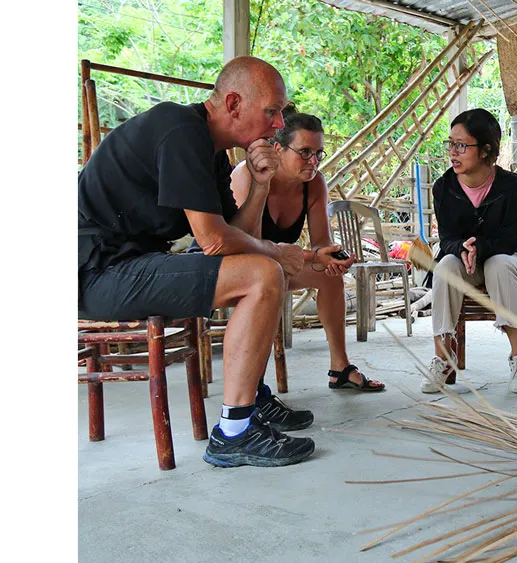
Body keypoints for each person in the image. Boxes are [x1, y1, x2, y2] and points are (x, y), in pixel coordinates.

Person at [78, 56, 337, 468]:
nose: (276, 125)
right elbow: (215, 241)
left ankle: (250, 397)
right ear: (234, 104)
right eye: (271, 112)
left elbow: (236, 237)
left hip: (132, 265)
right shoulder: (180, 131)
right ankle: (234, 431)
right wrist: (277, 251)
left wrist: (259, 186)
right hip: (95, 272)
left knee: (260, 270)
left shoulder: (213, 152)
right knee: (263, 273)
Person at [228, 104, 385, 392]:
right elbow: (249, 249)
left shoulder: (313, 184)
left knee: (330, 274)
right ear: (277, 149)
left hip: (276, 265)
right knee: (268, 272)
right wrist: (313, 256)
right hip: (238, 269)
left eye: (318, 153)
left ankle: (340, 367)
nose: (313, 161)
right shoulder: (247, 177)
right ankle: (250, 388)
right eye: (304, 152)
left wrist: (334, 256)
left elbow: (320, 242)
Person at [420, 108, 517, 395]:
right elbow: (446, 238)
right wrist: (460, 248)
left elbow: (509, 240)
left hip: (513, 259)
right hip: (466, 262)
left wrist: (479, 246)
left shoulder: (514, 189)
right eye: (451, 144)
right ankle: (443, 357)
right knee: (445, 265)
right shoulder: (444, 188)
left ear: (485, 150)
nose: (452, 152)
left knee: (498, 264)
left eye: (462, 145)